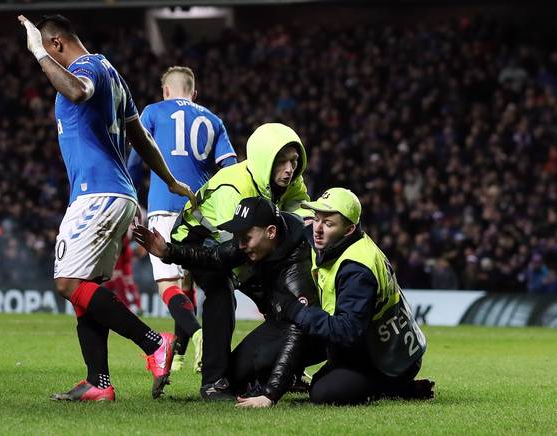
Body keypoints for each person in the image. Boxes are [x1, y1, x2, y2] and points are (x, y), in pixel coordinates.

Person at [18, 14, 196, 402]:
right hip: (118, 194)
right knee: (87, 287)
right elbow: (142, 137)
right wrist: (167, 178)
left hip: (95, 193)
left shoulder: (86, 68)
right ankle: (98, 382)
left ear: (57, 44)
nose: (49, 64)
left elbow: (78, 91)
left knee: (67, 284)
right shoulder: (113, 74)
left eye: (50, 53)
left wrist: (36, 54)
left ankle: (153, 342)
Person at [170, 122, 312, 400]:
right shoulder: (233, 188)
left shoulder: (291, 181)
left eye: (293, 161)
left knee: (279, 294)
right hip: (196, 239)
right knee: (221, 289)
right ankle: (213, 382)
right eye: (280, 161)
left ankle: (287, 369)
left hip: (242, 240)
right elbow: (232, 250)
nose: (289, 169)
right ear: (263, 161)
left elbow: (301, 215)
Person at [134, 196, 318, 404]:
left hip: (314, 330)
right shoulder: (257, 239)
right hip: (281, 319)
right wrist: (168, 252)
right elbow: (215, 257)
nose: (240, 245)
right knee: (234, 377)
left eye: (245, 238)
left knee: (271, 360)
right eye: (238, 237)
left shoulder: (297, 267)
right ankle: (285, 375)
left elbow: (299, 330)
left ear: (271, 232)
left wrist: (270, 394)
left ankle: (299, 375)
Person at [270, 188, 435, 405]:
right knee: (322, 380)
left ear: (349, 230)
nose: (317, 229)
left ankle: (396, 386)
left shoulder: (357, 269)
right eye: (317, 218)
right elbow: (299, 225)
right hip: (382, 346)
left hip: (391, 360)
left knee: (324, 393)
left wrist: (295, 310)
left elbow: (346, 331)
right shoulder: (332, 240)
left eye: (328, 224)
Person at [127, 66, 237, 379]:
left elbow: (137, 159)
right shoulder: (213, 120)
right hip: (200, 212)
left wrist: (132, 197)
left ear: (165, 91)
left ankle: (198, 335)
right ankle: (179, 355)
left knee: (168, 284)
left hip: (164, 206)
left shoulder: (151, 112)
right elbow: (229, 168)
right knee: (188, 281)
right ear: (194, 93)